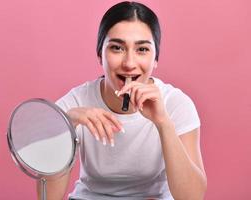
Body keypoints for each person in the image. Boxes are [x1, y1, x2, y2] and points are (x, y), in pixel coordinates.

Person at [37, 1, 207, 199]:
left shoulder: (176, 103)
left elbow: (192, 197)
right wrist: (67, 125)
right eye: (117, 48)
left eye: (142, 50)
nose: (129, 63)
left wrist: (163, 123)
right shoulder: (74, 102)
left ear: (156, 58)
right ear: (100, 55)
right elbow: (47, 197)